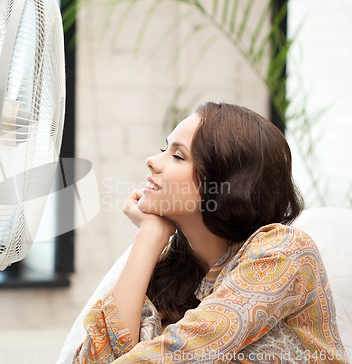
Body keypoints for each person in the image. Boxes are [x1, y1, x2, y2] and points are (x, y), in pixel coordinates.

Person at [72, 102, 348, 363]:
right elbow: (95, 357)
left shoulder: (283, 252)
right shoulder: (172, 274)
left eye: (178, 155)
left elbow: (185, 352)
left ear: (227, 183)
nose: (152, 161)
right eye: (164, 148)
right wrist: (149, 234)